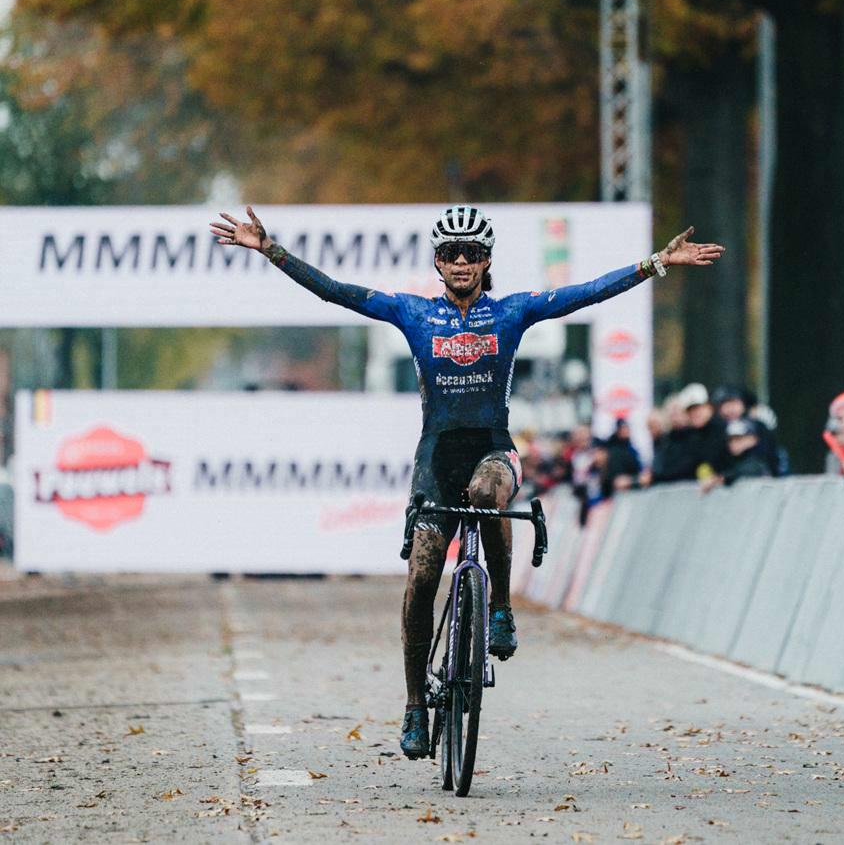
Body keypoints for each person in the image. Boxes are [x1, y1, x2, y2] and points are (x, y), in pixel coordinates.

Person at [209, 205, 725, 759]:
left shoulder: (510, 313)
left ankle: (500, 607)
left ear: (486, 262)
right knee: (422, 578)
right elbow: (337, 291)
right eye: (451, 254)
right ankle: (413, 706)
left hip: (493, 449)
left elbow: (588, 292)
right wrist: (271, 251)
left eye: (472, 254)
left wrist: (655, 263)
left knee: (488, 495)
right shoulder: (412, 313)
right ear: (437, 262)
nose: (461, 261)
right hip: (436, 457)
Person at [701, 418, 771, 492]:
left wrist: (720, 478)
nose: (733, 443)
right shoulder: (726, 461)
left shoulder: (757, 460)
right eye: (730, 439)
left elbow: (747, 470)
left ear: (752, 439)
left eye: (738, 439)